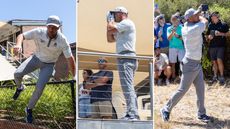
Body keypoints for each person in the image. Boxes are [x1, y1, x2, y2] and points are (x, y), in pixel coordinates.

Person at [12, 15, 76, 123]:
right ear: (47, 26)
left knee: (39, 89)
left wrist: (74, 75)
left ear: (58, 28)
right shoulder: (39, 32)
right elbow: (21, 35)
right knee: (17, 74)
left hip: (49, 65)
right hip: (35, 58)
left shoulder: (62, 40)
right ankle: (20, 87)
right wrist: (18, 45)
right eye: (50, 26)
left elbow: (70, 59)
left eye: (54, 27)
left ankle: (29, 109)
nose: (51, 29)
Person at [160, 7, 211, 123]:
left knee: (200, 90)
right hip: (190, 64)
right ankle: (166, 109)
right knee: (182, 90)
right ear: (190, 18)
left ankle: (201, 114)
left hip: (196, 63)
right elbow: (205, 21)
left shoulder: (186, 27)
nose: (198, 16)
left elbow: (196, 18)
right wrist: (201, 13)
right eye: (196, 15)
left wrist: (196, 12)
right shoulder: (194, 28)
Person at [106, 6, 139, 120]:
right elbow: (109, 39)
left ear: (121, 13)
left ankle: (132, 114)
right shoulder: (121, 28)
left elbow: (111, 28)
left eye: (115, 14)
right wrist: (109, 25)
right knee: (128, 86)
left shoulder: (126, 23)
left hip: (126, 57)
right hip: (126, 57)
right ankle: (133, 112)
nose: (114, 16)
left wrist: (109, 21)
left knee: (127, 86)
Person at [207, 11, 229, 85]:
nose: (213, 17)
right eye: (212, 16)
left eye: (214, 16)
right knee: (214, 61)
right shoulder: (210, 25)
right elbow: (207, 35)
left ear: (217, 16)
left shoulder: (223, 24)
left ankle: (222, 76)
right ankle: (215, 76)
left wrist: (220, 34)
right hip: (212, 46)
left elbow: (228, 34)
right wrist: (209, 37)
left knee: (219, 60)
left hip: (221, 46)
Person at [167, 14, 185, 82]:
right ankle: (173, 77)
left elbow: (183, 38)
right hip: (172, 48)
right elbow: (168, 38)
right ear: (171, 20)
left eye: (176, 20)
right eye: (173, 20)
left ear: (178, 20)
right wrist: (172, 32)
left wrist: (178, 36)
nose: (175, 21)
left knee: (182, 62)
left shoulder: (182, 28)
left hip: (180, 47)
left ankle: (183, 77)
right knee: (173, 63)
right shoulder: (169, 28)